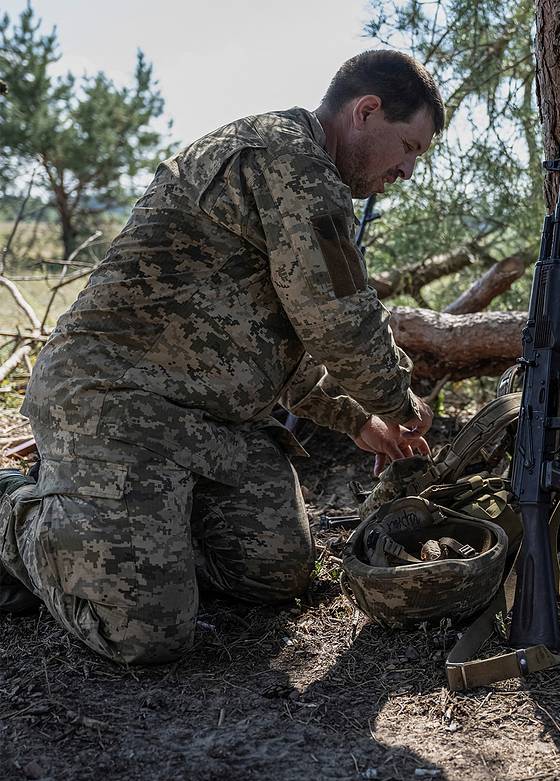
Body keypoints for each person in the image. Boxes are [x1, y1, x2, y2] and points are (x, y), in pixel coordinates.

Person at [0, 50, 444, 663]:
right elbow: (337, 316)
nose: (407, 170)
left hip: (210, 425)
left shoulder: (301, 172)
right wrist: (397, 402)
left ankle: (126, 536)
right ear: (366, 111)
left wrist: (359, 421)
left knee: (277, 575)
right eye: (410, 147)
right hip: (116, 404)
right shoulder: (290, 161)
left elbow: (281, 342)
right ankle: (15, 505)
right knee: (145, 634)